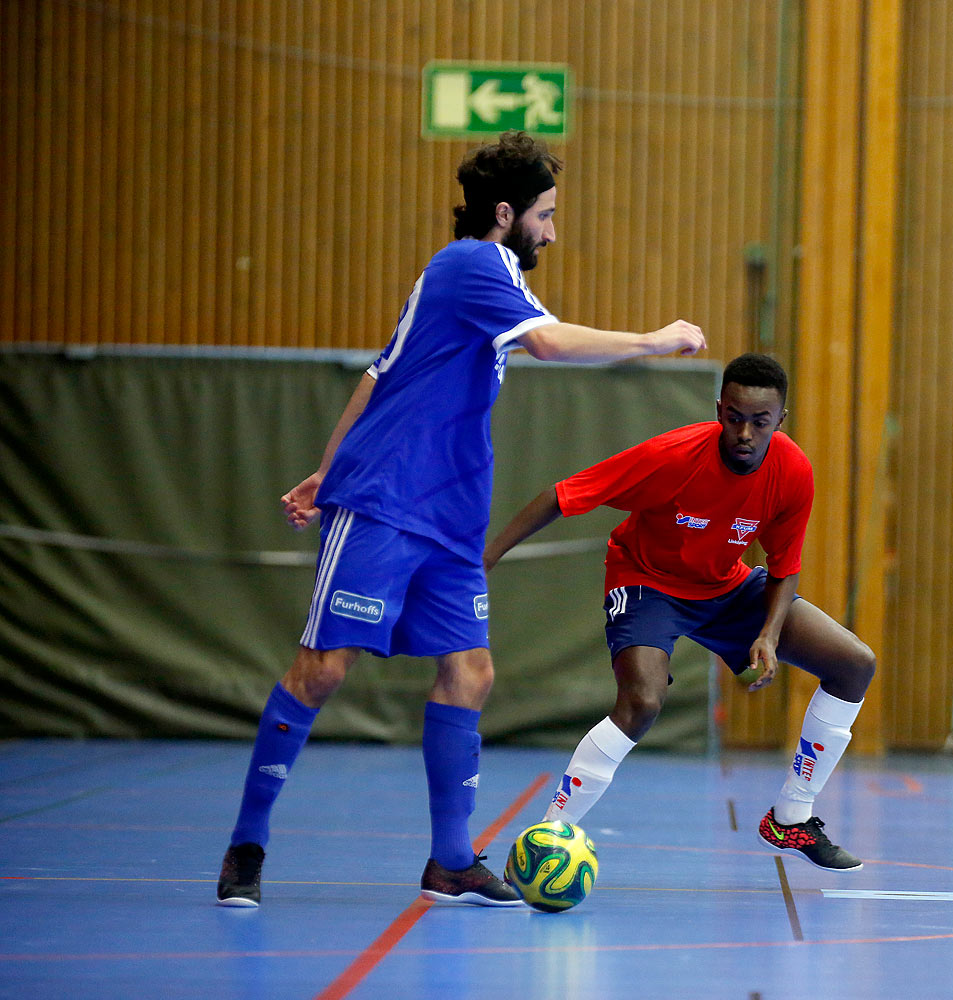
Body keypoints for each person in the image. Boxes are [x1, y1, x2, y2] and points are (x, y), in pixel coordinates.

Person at [216, 131, 708, 908]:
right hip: (386, 501)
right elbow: (546, 346)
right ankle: (247, 842)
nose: (553, 230)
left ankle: (450, 860)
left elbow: (380, 375)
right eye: (545, 215)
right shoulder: (475, 264)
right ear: (506, 213)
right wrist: (658, 339)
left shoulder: (486, 275)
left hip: (450, 518)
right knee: (323, 670)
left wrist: (322, 467)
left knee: (470, 672)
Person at [483, 352, 875, 872]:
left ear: (780, 420)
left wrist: (768, 635)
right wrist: (484, 558)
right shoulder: (672, 456)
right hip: (648, 581)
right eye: (734, 417)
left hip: (726, 587)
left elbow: (785, 565)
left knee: (854, 663)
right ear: (719, 410)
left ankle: (791, 817)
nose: (744, 433)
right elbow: (563, 495)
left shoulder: (793, 471)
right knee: (642, 702)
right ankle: (551, 833)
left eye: (759, 422)